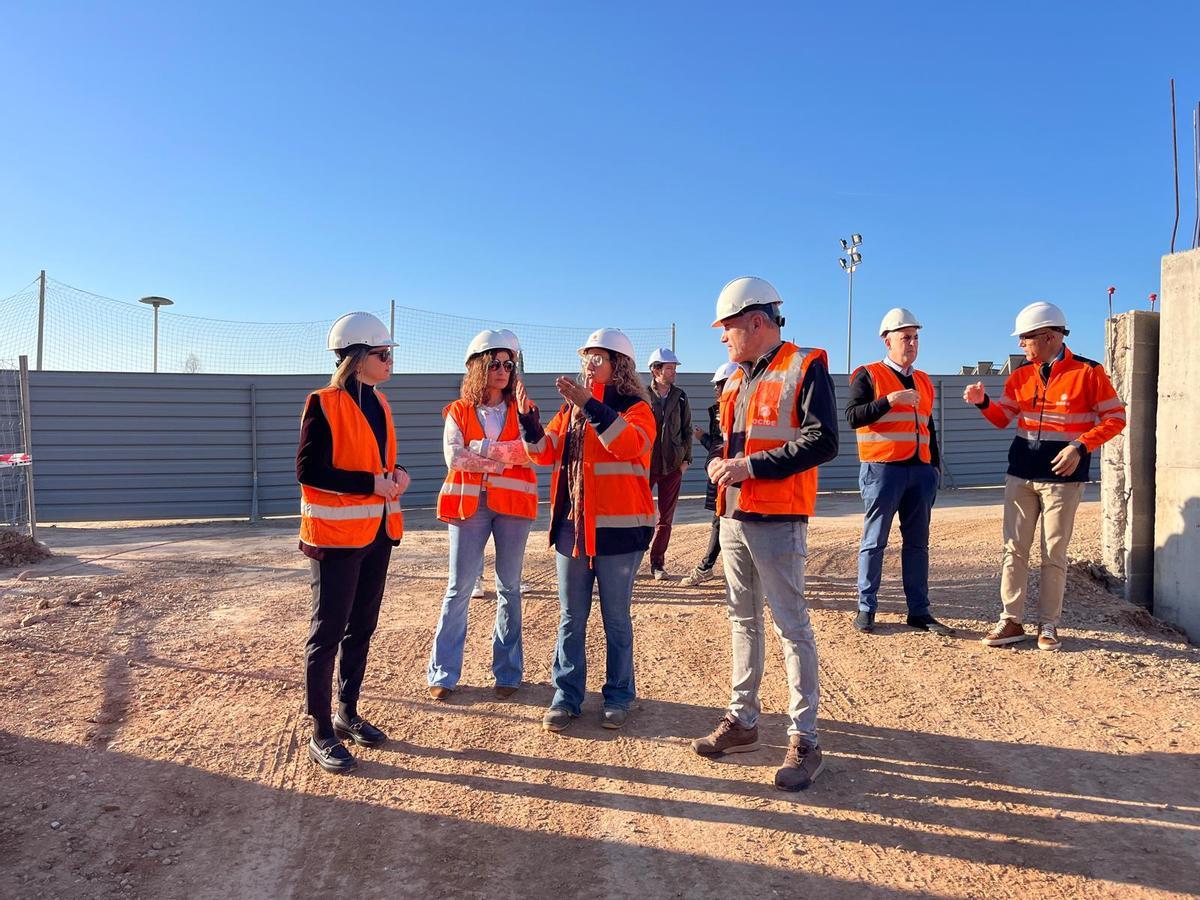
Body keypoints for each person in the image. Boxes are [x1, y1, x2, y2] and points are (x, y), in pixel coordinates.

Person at [690, 277, 839, 792]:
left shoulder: (806, 364)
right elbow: (731, 444)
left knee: (791, 626)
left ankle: (806, 739)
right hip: (733, 516)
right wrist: (721, 466)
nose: (723, 337)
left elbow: (823, 442)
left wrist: (748, 467)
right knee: (741, 620)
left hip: (778, 516)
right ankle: (744, 722)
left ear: (757, 321)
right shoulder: (735, 378)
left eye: (728, 327)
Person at [964, 301, 1126, 651]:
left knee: (1053, 552)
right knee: (1013, 549)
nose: (1022, 345)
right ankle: (1011, 621)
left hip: (1063, 480)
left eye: (1026, 338)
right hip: (1020, 475)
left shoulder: (1089, 372)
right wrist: (981, 402)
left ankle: (1048, 625)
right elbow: (1002, 418)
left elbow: (1115, 419)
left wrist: (1080, 447)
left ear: (1050, 336)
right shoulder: (1020, 374)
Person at [519, 328, 655, 732]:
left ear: (620, 365)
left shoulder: (636, 408)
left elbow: (628, 445)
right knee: (570, 619)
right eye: (587, 357)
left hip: (620, 533)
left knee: (615, 619)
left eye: (599, 357)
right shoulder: (572, 409)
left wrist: (592, 406)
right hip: (572, 532)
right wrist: (529, 426)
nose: (590, 364)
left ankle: (617, 695)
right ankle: (566, 696)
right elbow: (545, 454)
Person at [297, 311, 410, 774]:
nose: (390, 362)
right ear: (360, 357)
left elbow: (382, 464)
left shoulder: (380, 405)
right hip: (336, 538)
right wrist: (371, 484)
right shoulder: (322, 403)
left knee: (360, 628)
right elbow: (309, 471)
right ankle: (320, 730)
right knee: (327, 634)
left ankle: (347, 713)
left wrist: (398, 477)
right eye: (384, 354)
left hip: (377, 533)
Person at [428, 330, 538, 701]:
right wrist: (502, 458)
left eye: (509, 364)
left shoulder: (524, 409)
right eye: (495, 363)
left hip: (513, 510)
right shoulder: (458, 411)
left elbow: (531, 452)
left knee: (509, 588)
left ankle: (508, 672)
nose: (504, 370)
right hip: (469, 508)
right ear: (478, 366)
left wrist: (484, 449)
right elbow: (454, 458)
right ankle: (443, 673)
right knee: (458, 588)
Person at [846, 308, 954, 636]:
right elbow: (853, 416)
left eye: (915, 337)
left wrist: (934, 467)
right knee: (874, 541)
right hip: (882, 470)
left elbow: (929, 426)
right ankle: (867, 607)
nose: (912, 343)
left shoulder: (923, 381)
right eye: (905, 337)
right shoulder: (867, 374)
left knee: (918, 544)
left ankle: (919, 611)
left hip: (919, 471)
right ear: (887, 340)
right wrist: (890, 400)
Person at [682, 361, 738, 586]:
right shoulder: (718, 411)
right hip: (723, 473)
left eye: (720, 385)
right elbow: (719, 445)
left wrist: (705, 440)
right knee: (720, 520)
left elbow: (725, 445)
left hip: (735, 474)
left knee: (727, 522)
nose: (716, 390)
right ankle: (707, 566)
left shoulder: (737, 409)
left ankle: (707, 567)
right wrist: (704, 438)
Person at [645, 347, 693, 580]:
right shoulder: (642, 395)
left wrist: (685, 461)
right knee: (639, 514)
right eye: (669, 368)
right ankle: (634, 557)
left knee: (665, 518)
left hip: (672, 467)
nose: (674, 372)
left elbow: (687, 430)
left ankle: (657, 563)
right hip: (645, 466)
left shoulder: (681, 396)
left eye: (674, 368)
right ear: (655, 370)